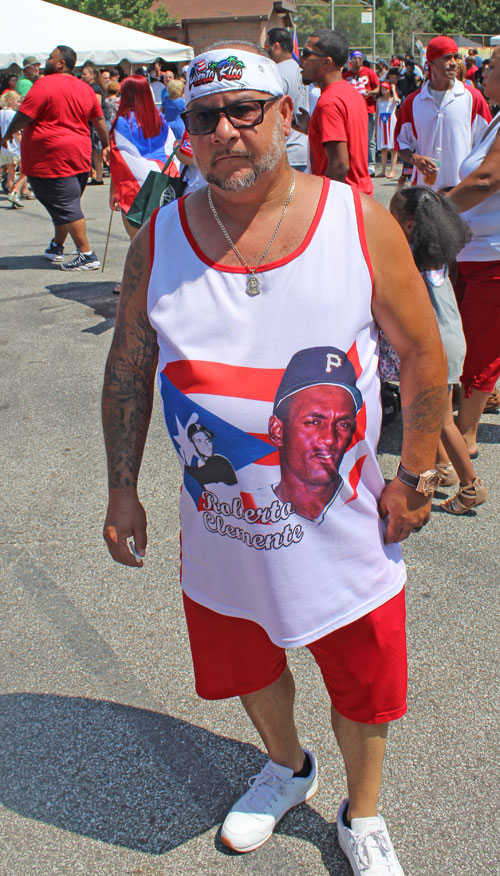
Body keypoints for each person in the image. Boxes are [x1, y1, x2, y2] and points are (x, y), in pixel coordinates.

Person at [102, 39, 447, 876]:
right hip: (220, 531)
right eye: (206, 117)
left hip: (346, 533)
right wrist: (121, 490)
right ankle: (287, 768)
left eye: (244, 111)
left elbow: (424, 355)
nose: (226, 131)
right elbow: (128, 367)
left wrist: (417, 474)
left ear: (285, 116)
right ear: (189, 133)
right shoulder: (161, 238)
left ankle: (362, 814)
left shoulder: (355, 221)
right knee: (250, 662)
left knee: (362, 687)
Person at [390, 186, 488, 514]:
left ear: (407, 225)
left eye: (393, 215)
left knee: (442, 422)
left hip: (437, 347)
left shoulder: (410, 257)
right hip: (450, 340)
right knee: (435, 418)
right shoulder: (437, 251)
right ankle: (442, 471)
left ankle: (470, 486)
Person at [1, 45, 108, 270]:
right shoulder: (85, 88)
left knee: (66, 204)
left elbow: (24, 115)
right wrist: (107, 144)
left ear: (61, 63)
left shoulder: (43, 85)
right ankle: (57, 246)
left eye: (51, 57)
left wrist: (9, 133)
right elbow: (98, 119)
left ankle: (87, 254)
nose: (47, 61)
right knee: (65, 204)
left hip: (51, 157)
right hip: (79, 154)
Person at [445, 45, 500, 460]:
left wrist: (435, 209)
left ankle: (467, 436)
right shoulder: (495, 119)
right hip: (475, 252)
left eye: (493, 67)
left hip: (494, 255)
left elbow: (487, 179)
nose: (483, 72)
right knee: (467, 341)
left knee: (481, 347)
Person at [268, 347, 361, 523]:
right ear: (277, 431)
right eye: (314, 422)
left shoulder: (362, 508)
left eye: (343, 424)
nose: (330, 438)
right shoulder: (246, 506)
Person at [394, 36, 491, 190]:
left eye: (455, 57)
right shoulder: (413, 102)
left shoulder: (473, 98)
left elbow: (488, 144)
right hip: (425, 190)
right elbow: (400, 143)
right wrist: (415, 159)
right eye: (447, 58)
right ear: (431, 62)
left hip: (462, 192)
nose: (453, 63)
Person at [108, 74, 176, 291]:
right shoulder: (160, 119)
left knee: (137, 239)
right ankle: (158, 279)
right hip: (161, 180)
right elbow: (170, 148)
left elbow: (119, 160)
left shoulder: (122, 122)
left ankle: (137, 282)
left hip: (134, 185)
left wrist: (114, 191)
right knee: (158, 236)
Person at [300, 29, 373, 194]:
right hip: (360, 198)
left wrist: (323, 203)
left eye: (306, 54)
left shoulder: (329, 102)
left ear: (327, 62)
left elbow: (340, 166)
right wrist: (311, 127)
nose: (300, 61)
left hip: (343, 202)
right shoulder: (350, 93)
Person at [265, 27, 309, 172]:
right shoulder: (299, 69)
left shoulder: (278, 72)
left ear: (276, 46)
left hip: (287, 150)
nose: (266, 50)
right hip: (303, 147)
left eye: (267, 46)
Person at [342, 50, 380, 176]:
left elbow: (378, 87)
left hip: (368, 110)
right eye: (355, 58)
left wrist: (371, 92)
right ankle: (354, 163)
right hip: (351, 111)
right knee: (352, 138)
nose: (357, 61)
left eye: (359, 58)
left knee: (369, 138)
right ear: (350, 61)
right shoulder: (346, 75)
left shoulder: (369, 72)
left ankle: (371, 164)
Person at [0, 90, 30, 205]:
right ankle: (15, 193)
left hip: (5, 147)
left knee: (11, 172)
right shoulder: (13, 114)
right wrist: (25, 145)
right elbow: (17, 133)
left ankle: (14, 193)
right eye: (17, 102)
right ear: (10, 101)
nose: (19, 104)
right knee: (25, 170)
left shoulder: (1, 113)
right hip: (16, 146)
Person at [81, 62, 105, 184]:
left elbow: (96, 106)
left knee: (97, 150)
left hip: (96, 123)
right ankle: (97, 175)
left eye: (85, 74)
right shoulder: (87, 88)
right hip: (90, 123)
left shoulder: (95, 88)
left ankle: (99, 176)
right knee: (94, 151)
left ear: (92, 75)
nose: (82, 76)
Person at [376, 79, 399, 178]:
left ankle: (392, 170)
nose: (384, 91)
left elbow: (397, 100)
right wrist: (377, 129)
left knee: (393, 148)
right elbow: (377, 113)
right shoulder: (379, 100)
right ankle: (383, 170)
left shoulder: (392, 99)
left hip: (391, 123)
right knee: (383, 149)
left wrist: (394, 90)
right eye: (382, 89)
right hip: (382, 123)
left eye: (386, 89)